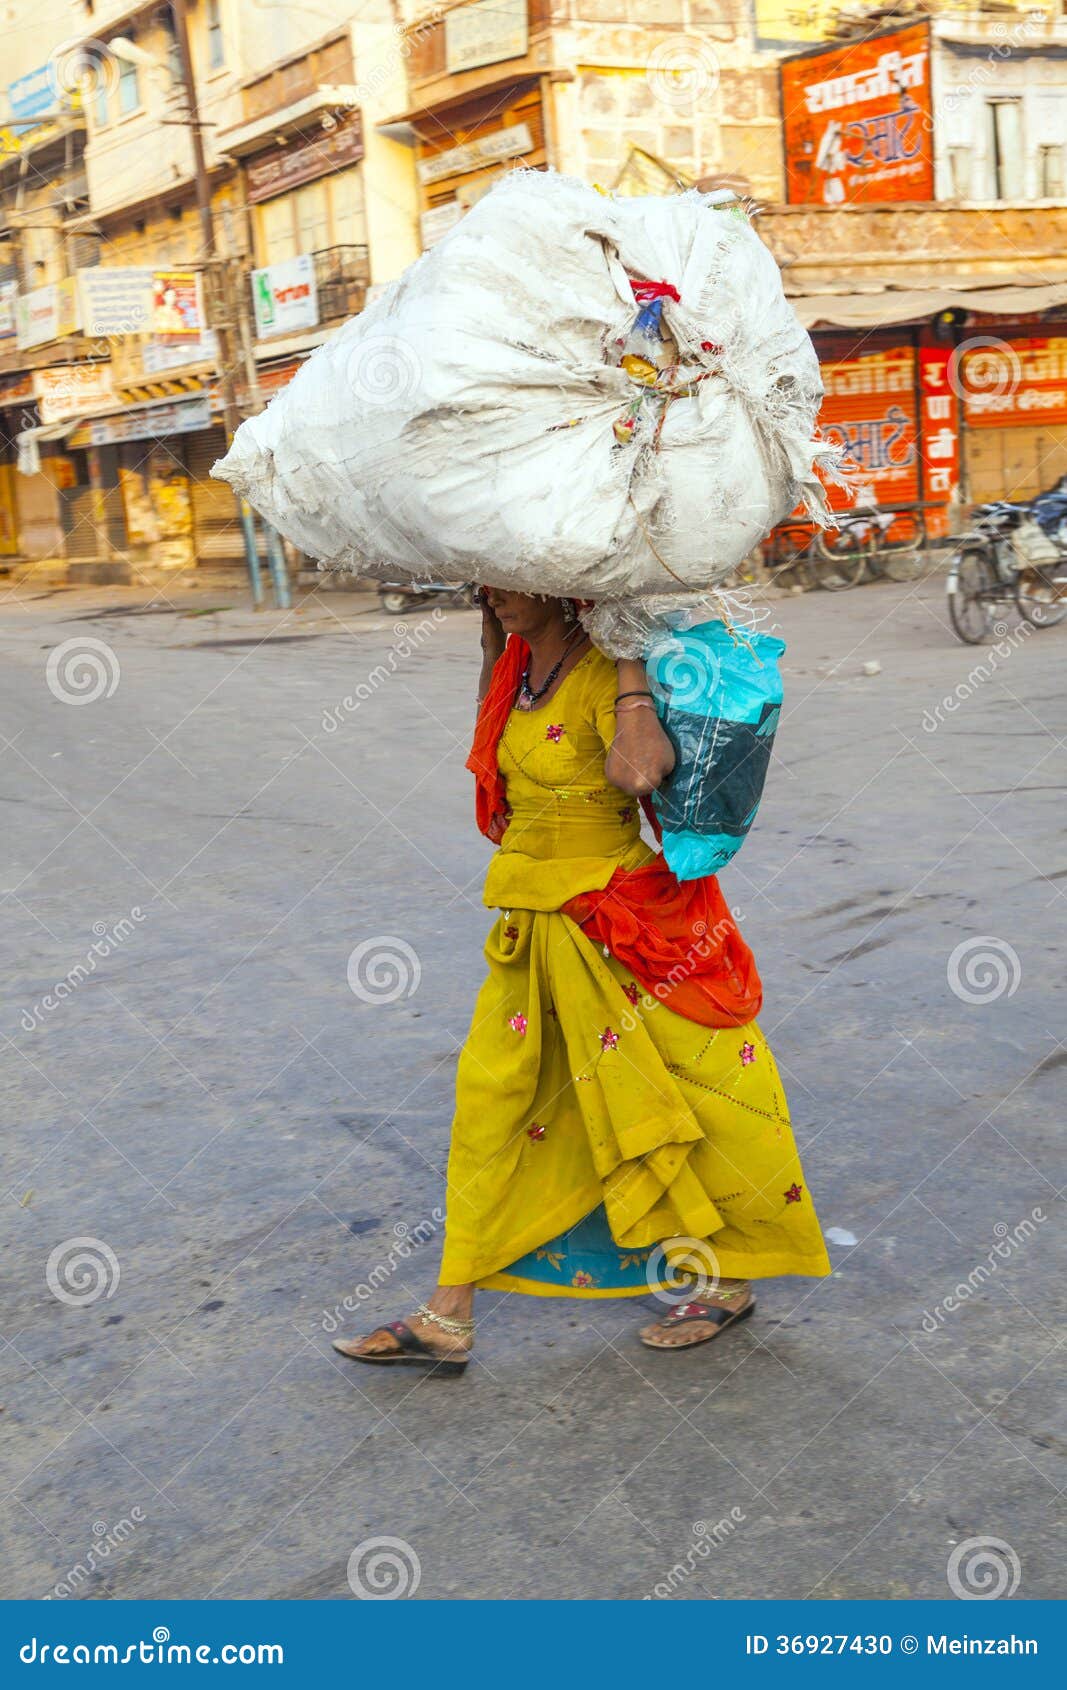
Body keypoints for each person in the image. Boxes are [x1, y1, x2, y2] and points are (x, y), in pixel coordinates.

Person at [333, 591, 830, 1375]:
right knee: (493, 1100)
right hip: (535, 924)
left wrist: (626, 645)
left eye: (509, 579)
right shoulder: (517, 671)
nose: (494, 591)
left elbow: (637, 773)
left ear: (563, 586)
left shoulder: (603, 668)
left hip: (621, 924)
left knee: (701, 1094)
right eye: (486, 579)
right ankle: (447, 1315)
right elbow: (488, 758)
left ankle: (729, 1278)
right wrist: (491, 635)